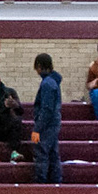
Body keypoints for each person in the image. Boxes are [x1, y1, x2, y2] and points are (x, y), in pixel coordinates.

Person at [31, 53, 63, 183]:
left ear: (39, 66)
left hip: (47, 125)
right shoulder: (53, 82)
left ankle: (41, 182)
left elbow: (46, 109)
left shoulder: (47, 84)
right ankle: (55, 181)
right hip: (53, 122)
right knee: (53, 153)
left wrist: (37, 129)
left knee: (42, 152)